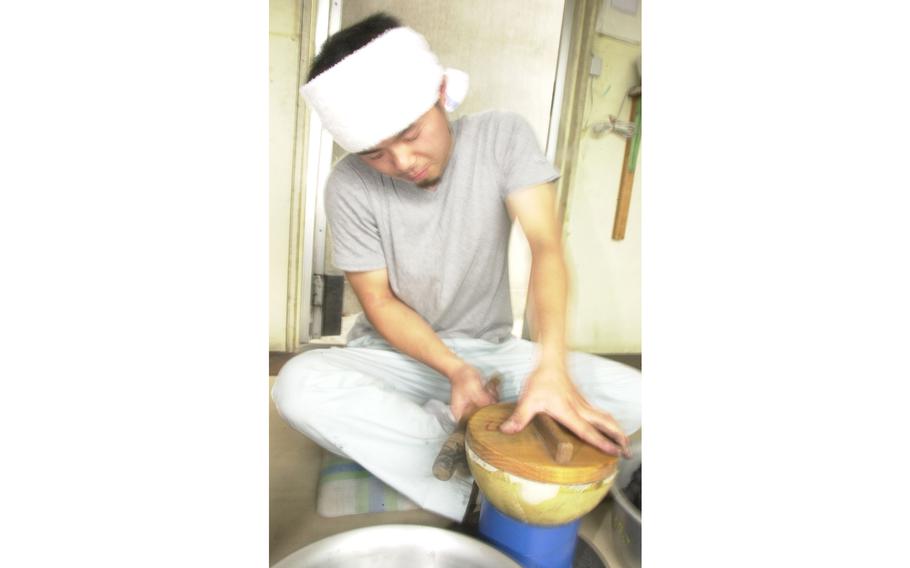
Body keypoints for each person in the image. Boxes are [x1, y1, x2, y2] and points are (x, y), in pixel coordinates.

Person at [271, 12, 641, 522]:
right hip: (400, 357)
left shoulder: (502, 136)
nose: (402, 162)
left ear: (441, 91)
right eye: (375, 153)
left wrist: (550, 368)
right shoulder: (349, 185)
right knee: (297, 386)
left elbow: (546, 247)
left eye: (411, 132)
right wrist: (454, 370)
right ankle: (483, 491)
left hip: (492, 351)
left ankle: (448, 435)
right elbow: (377, 301)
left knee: (643, 398)